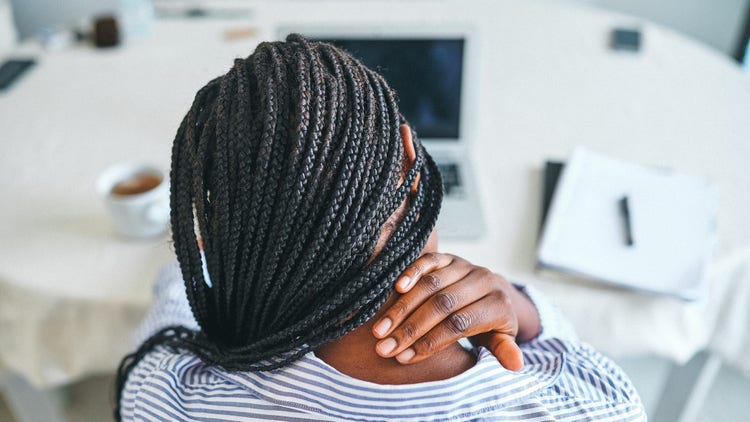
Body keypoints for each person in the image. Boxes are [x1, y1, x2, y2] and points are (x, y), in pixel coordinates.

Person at [116, 35, 646, 421]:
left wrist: (216, 256)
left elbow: (171, 312)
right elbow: (566, 348)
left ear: (206, 242)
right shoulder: (595, 408)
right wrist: (517, 305)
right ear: (413, 169)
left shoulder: (168, 401)